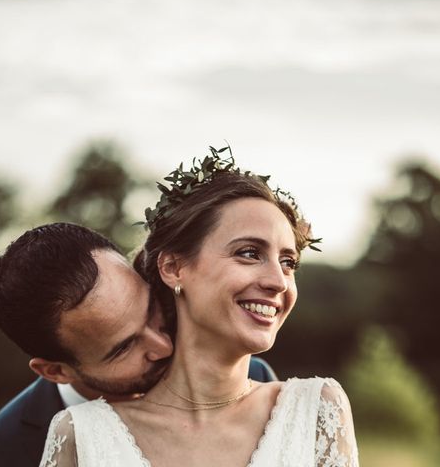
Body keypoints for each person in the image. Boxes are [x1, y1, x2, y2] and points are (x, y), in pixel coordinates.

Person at [40, 148, 359, 466]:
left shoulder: (317, 410)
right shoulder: (81, 434)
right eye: (249, 253)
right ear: (174, 268)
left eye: (288, 262)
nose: (278, 281)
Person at [0, 223, 277, 467]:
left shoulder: (247, 375)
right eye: (124, 348)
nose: (163, 346)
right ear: (56, 370)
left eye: (150, 310)